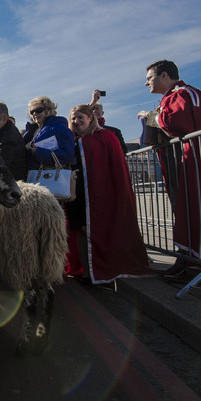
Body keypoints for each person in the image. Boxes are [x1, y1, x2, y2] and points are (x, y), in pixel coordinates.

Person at [137, 60, 201, 279]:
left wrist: (149, 117)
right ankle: (187, 259)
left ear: (164, 75)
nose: (146, 83)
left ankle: (195, 264)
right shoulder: (175, 95)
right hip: (186, 160)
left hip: (194, 161)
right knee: (185, 209)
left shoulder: (184, 93)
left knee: (194, 208)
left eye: (149, 78)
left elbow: (175, 122)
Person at [65, 105, 153, 284]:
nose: (76, 121)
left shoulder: (106, 137)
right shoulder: (72, 140)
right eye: (73, 118)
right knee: (80, 230)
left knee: (96, 230)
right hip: (77, 194)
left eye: (80, 117)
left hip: (98, 194)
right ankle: (87, 272)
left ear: (90, 118)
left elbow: (117, 170)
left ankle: (101, 270)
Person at [23, 96, 75, 170]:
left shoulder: (59, 128)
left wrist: (38, 152)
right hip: (31, 176)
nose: (35, 113)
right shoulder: (30, 132)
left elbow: (67, 155)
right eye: (32, 112)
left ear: (48, 110)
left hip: (51, 176)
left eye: (39, 110)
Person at [89, 90, 127, 155]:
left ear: (102, 113)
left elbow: (123, 150)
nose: (94, 111)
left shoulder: (115, 131)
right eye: (92, 109)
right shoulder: (84, 131)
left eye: (97, 109)